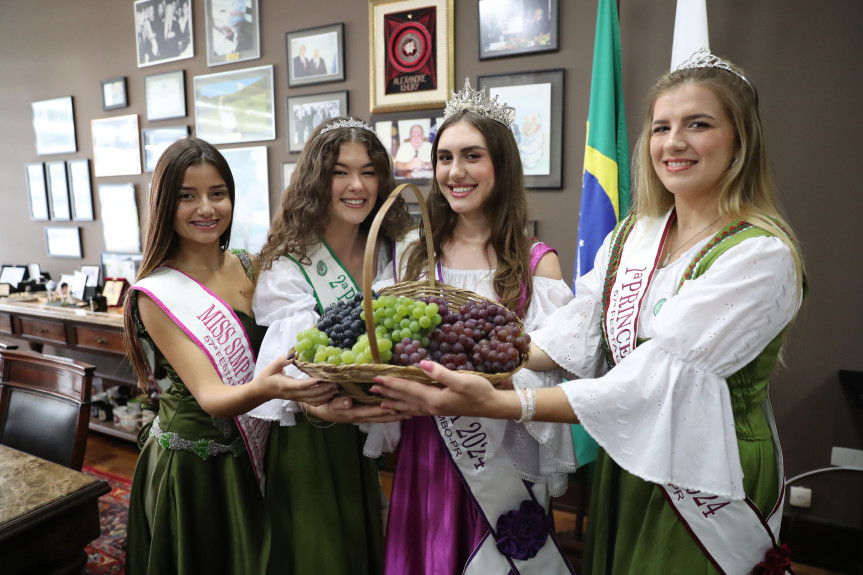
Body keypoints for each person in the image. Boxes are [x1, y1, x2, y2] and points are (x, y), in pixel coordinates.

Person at [373, 50, 806, 575]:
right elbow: (577, 331)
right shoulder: (636, 234)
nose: (673, 142)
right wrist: (476, 360)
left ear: (740, 139)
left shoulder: (760, 254)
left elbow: (650, 385)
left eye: (699, 124)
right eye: (661, 126)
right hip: (633, 451)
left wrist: (503, 400)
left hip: (708, 469)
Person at [379, 79, 577, 574]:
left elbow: (552, 367)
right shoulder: (413, 253)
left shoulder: (536, 263)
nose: (455, 172)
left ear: (501, 166)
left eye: (472, 156)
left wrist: (488, 376)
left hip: (503, 453)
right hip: (428, 444)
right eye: (445, 158)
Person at [122, 137, 338, 575]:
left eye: (217, 193)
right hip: (199, 465)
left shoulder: (249, 264)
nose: (206, 208)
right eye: (187, 196)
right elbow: (212, 396)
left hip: (257, 444)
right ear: (165, 204)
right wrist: (269, 387)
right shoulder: (156, 294)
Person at [249, 117, 413, 574]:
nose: (355, 185)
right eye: (340, 172)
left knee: (359, 548)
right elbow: (290, 374)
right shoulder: (287, 267)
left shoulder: (391, 254)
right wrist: (325, 409)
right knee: (317, 554)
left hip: (363, 429)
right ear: (316, 180)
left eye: (368, 171)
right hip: (310, 434)